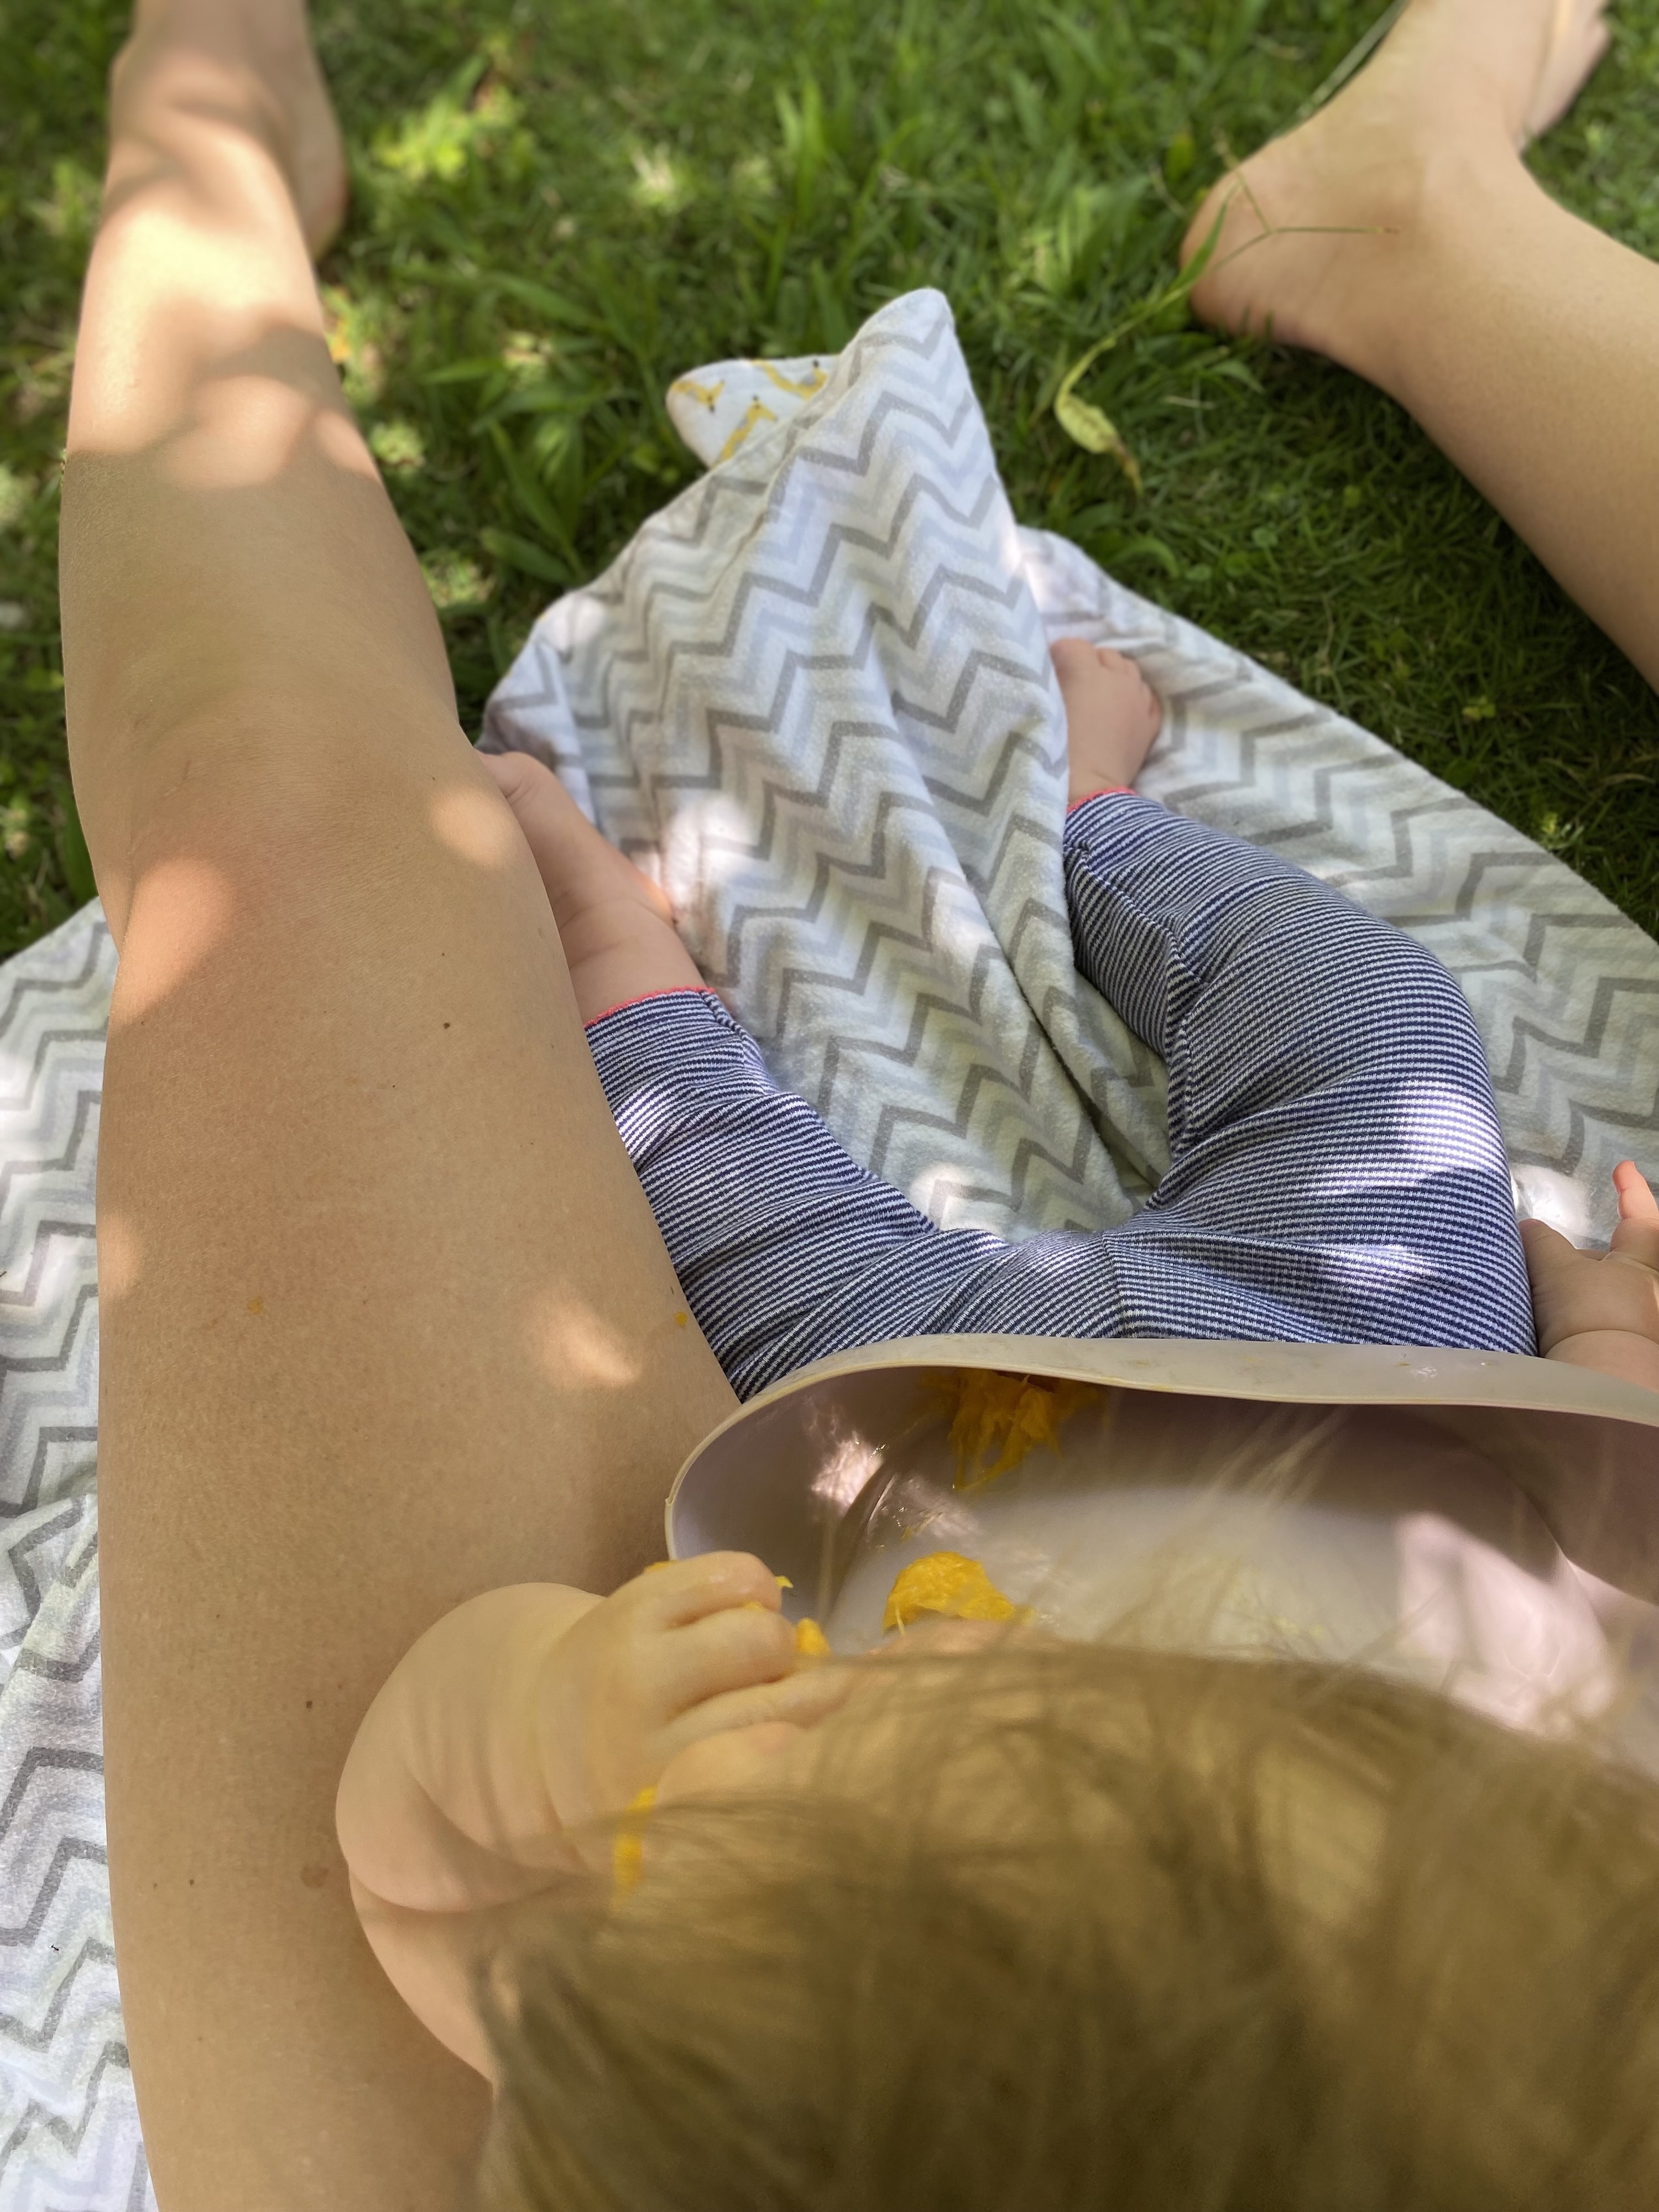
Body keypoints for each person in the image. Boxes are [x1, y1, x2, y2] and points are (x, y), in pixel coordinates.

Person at [60, 0, 1658, 2201]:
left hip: (882, 1439)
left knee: (669, 1108)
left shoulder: (716, 2028)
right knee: (1381, 1030)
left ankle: (614, 940)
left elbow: (416, 1872)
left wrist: (536, 1741)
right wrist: (1607, 1373)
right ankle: (1099, 826)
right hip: (1388, 1381)